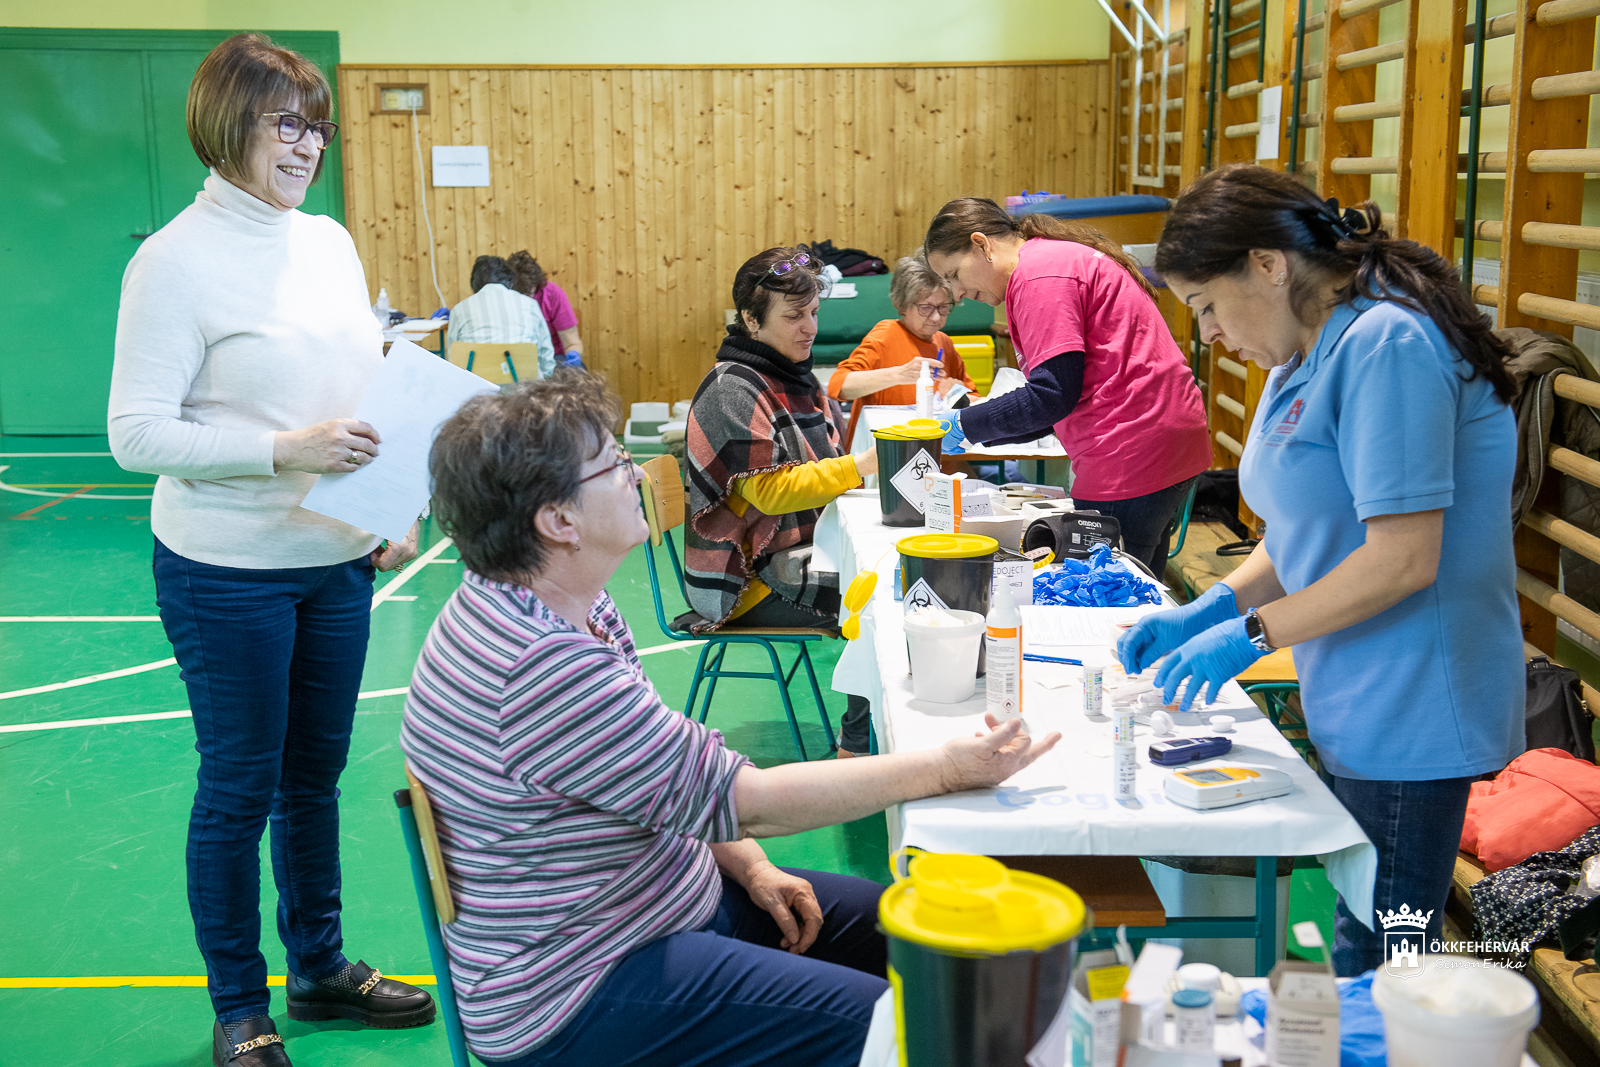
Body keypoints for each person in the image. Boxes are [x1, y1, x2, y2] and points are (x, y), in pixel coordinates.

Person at [400, 372, 1058, 1067]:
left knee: (929, 940)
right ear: (557, 521)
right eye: (614, 464)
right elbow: (749, 802)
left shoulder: (563, 602)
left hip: (657, 900)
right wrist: (945, 768)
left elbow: (666, 786)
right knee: (901, 1027)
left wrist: (750, 867)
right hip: (581, 985)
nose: (637, 476)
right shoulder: (539, 664)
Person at [106, 33, 431, 1067]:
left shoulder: (328, 241)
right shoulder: (171, 263)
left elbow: (364, 378)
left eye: (316, 124)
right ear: (223, 124)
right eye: (284, 121)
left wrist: (393, 501)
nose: (307, 144)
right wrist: (281, 451)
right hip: (224, 569)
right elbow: (135, 433)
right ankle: (240, 1005)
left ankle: (320, 966)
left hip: (332, 557)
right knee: (239, 781)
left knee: (313, 776)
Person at [1117, 164, 1524, 976]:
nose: (1208, 333)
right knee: (1362, 926)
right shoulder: (1303, 351)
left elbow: (1404, 558)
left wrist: (1251, 633)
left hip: (1416, 702)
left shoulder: (1390, 344)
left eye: (1205, 305)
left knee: (1382, 949)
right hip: (1352, 687)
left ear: (1268, 265)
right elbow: (1309, 527)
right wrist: (1215, 605)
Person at [923, 198, 1212, 571]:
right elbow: (1060, 398)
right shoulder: (1049, 261)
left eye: (954, 275)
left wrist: (966, 424)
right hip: (1164, 438)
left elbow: (1050, 395)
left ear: (982, 245)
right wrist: (972, 430)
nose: (957, 293)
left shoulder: (1038, 277)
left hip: (1131, 449)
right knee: (1142, 584)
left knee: (1106, 595)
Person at [684, 248, 879, 756]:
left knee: (888, 579)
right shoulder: (733, 387)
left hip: (798, 553)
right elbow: (771, 490)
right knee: (880, 602)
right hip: (750, 578)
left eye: (814, 313)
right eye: (794, 316)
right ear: (751, 319)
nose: (809, 328)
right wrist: (862, 466)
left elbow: (823, 467)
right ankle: (857, 748)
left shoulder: (794, 377)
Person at [826, 252, 977, 408]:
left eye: (943, 307)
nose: (936, 317)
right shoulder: (887, 334)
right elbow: (838, 386)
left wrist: (956, 395)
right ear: (902, 305)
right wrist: (899, 374)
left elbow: (974, 397)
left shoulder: (943, 342)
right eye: (925, 308)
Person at [448, 254, 556, 379]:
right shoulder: (530, 305)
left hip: (478, 393)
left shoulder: (459, 309)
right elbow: (546, 359)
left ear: (474, 285)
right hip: (525, 391)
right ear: (510, 281)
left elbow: (454, 361)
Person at [508, 249, 584, 369]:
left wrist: (573, 355)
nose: (525, 300)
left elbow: (572, 343)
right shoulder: (503, 299)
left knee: (577, 375)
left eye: (529, 294)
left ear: (536, 285)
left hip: (554, 358)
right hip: (515, 360)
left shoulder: (553, 294)